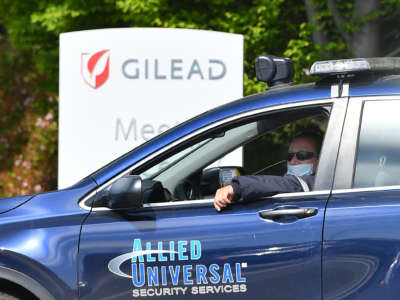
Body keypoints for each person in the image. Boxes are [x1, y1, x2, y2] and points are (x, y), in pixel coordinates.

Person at [214, 132, 322, 211]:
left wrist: (237, 187)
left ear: (321, 159)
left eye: (302, 155)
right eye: (289, 156)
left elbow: (286, 184)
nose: (293, 161)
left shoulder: (319, 182)